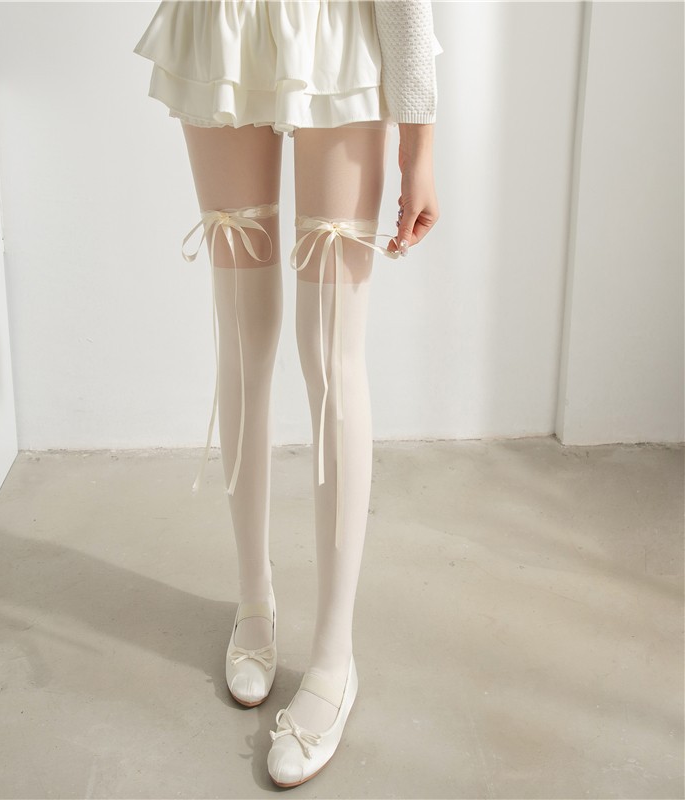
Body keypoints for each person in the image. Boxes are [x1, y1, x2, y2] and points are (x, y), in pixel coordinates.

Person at [133, 0, 442, 787]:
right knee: (243, 336)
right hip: (223, 25)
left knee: (330, 349)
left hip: (339, 30)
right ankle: (253, 600)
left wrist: (420, 142)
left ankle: (335, 656)